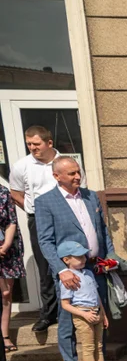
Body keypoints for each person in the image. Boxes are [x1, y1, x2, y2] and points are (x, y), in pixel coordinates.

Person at [34, 157, 121, 361]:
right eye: (71, 173)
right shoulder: (46, 202)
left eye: (78, 172)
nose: (77, 176)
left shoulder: (90, 195)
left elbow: (102, 229)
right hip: (70, 272)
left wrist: (110, 257)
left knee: (99, 315)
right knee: (68, 320)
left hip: (95, 266)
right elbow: (45, 241)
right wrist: (62, 270)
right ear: (57, 176)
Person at [8, 125, 62, 333]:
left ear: (49, 143)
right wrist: (33, 209)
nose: (32, 148)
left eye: (36, 144)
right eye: (29, 144)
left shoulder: (63, 162)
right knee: (45, 266)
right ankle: (48, 314)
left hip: (64, 218)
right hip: (38, 219)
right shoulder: (22, 165)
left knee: (71, 260)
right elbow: (15, 192)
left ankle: (73, 309)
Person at [57, 240, 120, 361]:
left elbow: (96, 295)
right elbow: (65, 304)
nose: (84, 259)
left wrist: (103, 314)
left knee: (98, 346)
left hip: (96, 312)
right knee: (89, 347)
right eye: (79, 257)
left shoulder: (88, 273)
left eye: (84, 256)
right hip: (83, 314)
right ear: (66, 260)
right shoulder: (68, 279)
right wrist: (83, 315)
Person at [0, 183, 26, 353]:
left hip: (4, 247)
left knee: (6, 294)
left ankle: (4, 335)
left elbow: (11, 220)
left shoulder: (2, 192)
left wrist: (6, 245)